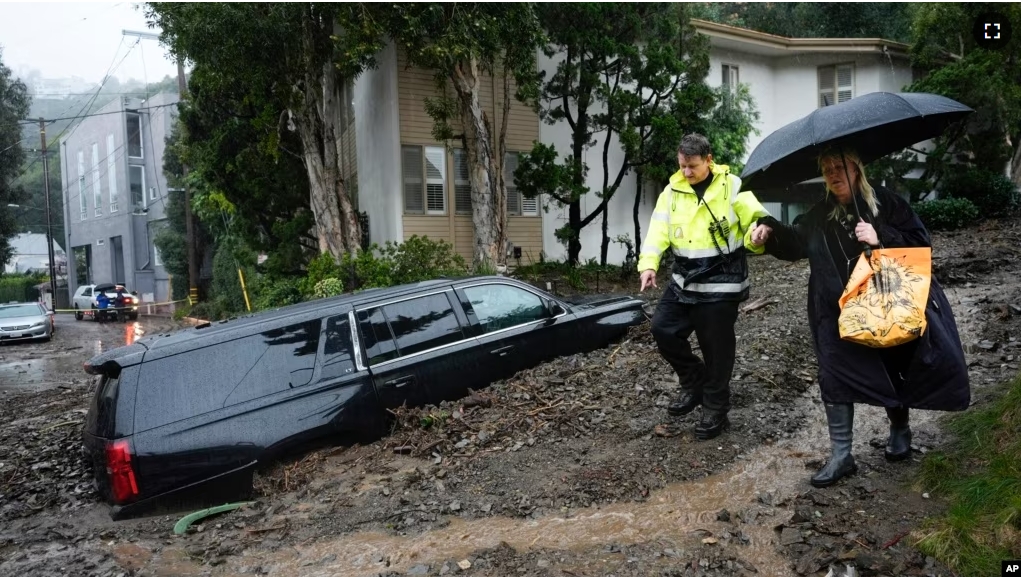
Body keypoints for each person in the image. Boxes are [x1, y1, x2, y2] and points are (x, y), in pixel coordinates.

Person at [751, 147, 969, 487]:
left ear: (857, 169)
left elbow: (921, 243)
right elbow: (796, 244)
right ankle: (841, 455)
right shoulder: (820, 213)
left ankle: (899, 428)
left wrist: (881, 237)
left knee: (892, 365)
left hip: (884, 304)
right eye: (826, 169)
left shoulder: (887, 203)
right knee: (833, 375)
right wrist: (769, 229)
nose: (833, 175)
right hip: (836, 308)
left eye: (839, 166)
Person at [638, 133, 773, 440]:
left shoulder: (733, 186)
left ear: (709, 160)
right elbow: (657, 231)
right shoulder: (671, 192)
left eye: (693, 166)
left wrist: (760, 231)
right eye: (682, 166)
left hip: (722, 282)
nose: (686, 172)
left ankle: (715, 409)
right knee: (662, 329)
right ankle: (694, 381)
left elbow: (756, 216)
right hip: (684, 280)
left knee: (717, 349)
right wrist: (649, 264)